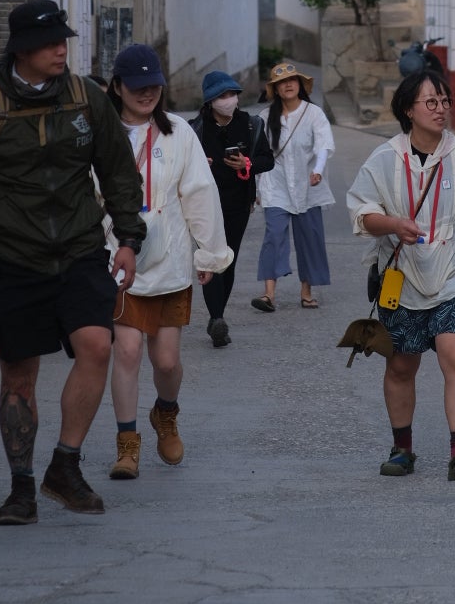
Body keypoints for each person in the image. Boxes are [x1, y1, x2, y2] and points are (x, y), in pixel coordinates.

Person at [0, 0, 144, 527]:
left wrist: (129, 237)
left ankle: (64, 466)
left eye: (63, 41)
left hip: (77, 249)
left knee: (97, 345)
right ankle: (21, 487)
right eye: (50, 42)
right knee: (19, 376)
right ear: (22, 48)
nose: (60, 50)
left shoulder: (86, 100)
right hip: (12, 257)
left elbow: (118, 171)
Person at [346, 70, 455, 482]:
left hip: (453, 270)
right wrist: (394, 225)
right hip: (400, 274)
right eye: (430, 102)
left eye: (444, 101)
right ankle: (402, 449)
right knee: (401, 365)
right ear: (408, 110)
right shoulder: (385, 158)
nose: (441, 109)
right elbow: (361, 212)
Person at [105, 44, 232, 480]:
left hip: (171, 263)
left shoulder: (178, 132)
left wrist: (210, 251)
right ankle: (127, 444)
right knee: (126, 351)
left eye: (153, 86)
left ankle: (166, 413)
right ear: (117, 87)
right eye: (137, 87)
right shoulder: (103, 133)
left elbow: (199, 192)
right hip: (118, 262)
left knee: (165, 363)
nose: (146, 95)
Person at [188, 71, 275, 347]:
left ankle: (218, 316)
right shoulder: (195, 129)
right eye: (222, 96)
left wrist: (247, 164)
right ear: (210, 101)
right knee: (210, 256)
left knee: (228, 260)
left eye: (232, 94)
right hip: (204, 204)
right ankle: (216, 319)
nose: (229, 100)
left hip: (238, 202)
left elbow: (267, 160)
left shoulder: (251, 125)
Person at [252, 61, 335, 312]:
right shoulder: (265, 118)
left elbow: (324, 145)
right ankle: (268, 294)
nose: (288, 85)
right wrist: (256, 189)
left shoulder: (314, 114)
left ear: (300, 85)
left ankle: (306, 292)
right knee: (273, 236)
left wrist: (318, 170)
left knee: (310, 237)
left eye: (292, 80)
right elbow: (258, 155)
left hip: (308, 185)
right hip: (275, 184)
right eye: (281, 83)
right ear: (275, 90)